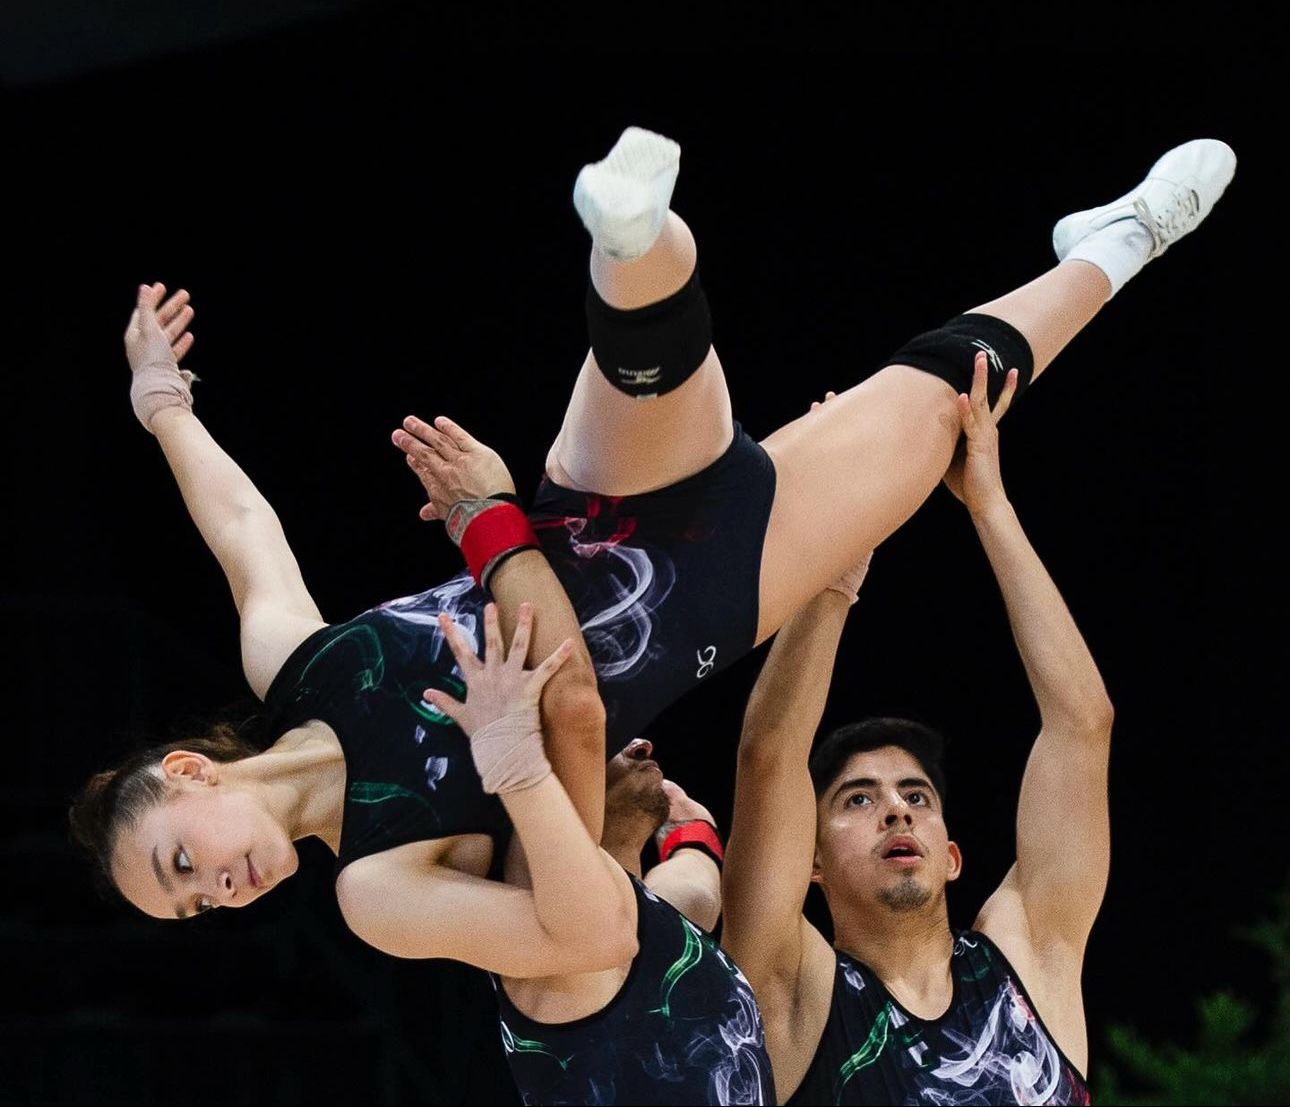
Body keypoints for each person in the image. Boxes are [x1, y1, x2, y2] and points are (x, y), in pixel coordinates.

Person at [70, 127, 1233, 982]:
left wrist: (162, 402)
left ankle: (630, 231)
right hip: (726, 589)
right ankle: (1122, 237)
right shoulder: (381, 886)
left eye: (182, 867)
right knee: (947, 408)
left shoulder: (299, 665)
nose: (218, 895)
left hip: (595, 505)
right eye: (195, 912)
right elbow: (587, 935)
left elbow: (243, 535)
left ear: (190, 773)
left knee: (652, 348)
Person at [722, 360, 1107, 1104]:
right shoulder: (795, 993)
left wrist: (989, 504)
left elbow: (1081, 725)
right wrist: (833, 572)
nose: (897, 809)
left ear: (954, 856)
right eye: (859, 800)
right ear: (810, 862)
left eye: (916, 796)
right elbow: (769, 756)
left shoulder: (1032, 959)